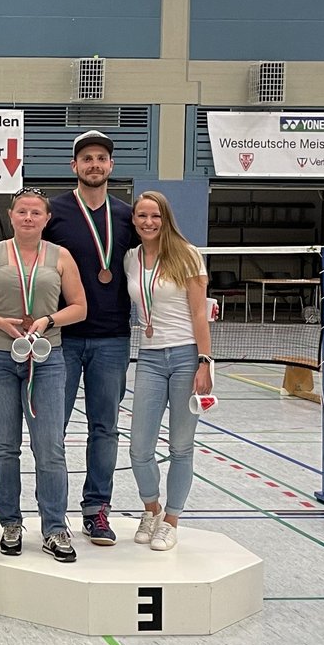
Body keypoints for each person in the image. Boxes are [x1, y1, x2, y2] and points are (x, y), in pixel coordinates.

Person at [0, 188, 87, 562]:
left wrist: (48, 320)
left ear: (47, 219)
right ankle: (10, 524)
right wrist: (0, 322)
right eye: (22, 212)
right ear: (11, 215)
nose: (29, 218)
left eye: (36, 213)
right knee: (4, 446)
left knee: (50, 447)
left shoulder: (60, 257)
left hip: (47, 360)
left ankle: (55, 528)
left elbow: (79, 307)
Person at [45, 130, 136, 545]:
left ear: (111, 165)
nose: (94, 164)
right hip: (61, 338)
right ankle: (54, 515)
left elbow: (155, 262)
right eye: (87, 159)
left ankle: (97, 509)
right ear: (74, 166)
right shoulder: (55, 212)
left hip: (113, 338)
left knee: (105, 428)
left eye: (101, 158)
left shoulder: (127, 216)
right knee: (53, 429)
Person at [124, 191, 213, 551]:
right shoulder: (131, 258)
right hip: (148, 357)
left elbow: (199, 313)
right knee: (139, 447)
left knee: (180, 446)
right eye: (142, 216)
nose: (149, 222)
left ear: (166, 219)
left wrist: (204, 362)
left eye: (155, 216)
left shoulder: (187, 255)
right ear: (134, 220)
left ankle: (172, 520)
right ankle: (152, 509)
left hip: (186, 356)